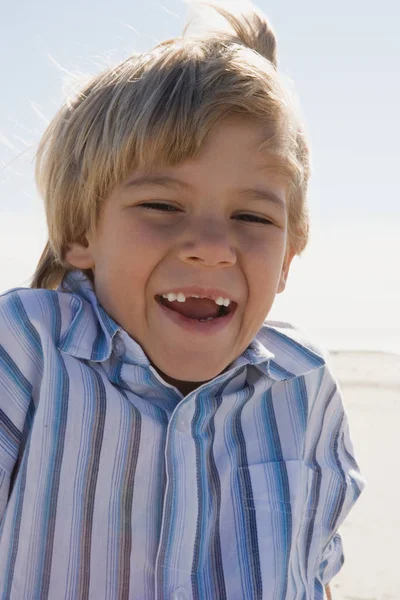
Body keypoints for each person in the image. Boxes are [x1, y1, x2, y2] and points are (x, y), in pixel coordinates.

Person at [0, 3, 365, 598]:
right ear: (81, 232)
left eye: (252, 216)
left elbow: (312, 573)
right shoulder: (27, 350)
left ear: (288, 259)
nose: (213, 249)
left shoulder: (305, 389)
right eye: (162, 206)